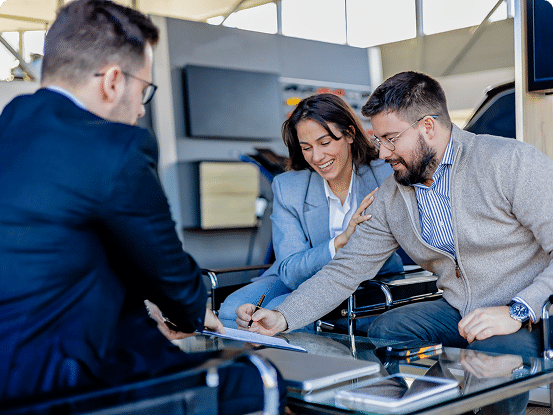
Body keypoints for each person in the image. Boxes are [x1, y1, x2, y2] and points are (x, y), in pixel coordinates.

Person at [0, 1, 284, 413]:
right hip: (57, 381)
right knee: (259, 379)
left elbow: (58, 253)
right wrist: (193, 312)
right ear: (113, 81)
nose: (140, 108)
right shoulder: (113, 149)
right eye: (144, 90)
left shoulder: (11, 126)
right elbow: (169, 272)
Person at [237, 71, 553, 360]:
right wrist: (283, 316)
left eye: (390, 139)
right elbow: (344, 272)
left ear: (427, 127)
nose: (383, 153)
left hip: (536, 308)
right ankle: (436, 400)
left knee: (491, 354)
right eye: (378, 140)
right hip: (462, 307)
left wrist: (516, 311)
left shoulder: (510, 162)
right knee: (387, 331)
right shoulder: (391, 195)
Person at [218, 93, 403, 330]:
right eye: (306, 148)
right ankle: (257, 365)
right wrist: (339, 242)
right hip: (298, 276)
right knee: (232, 309)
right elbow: (291, 272)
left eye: (325, 143)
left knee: (281, 311)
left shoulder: (384, 174)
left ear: (349, 134)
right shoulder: (289, 188)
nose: (317, 157)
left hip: (367, 278)